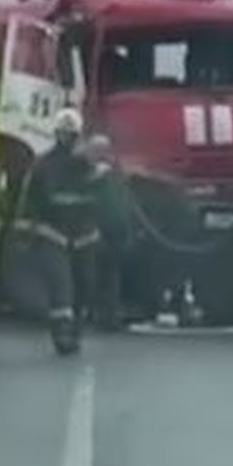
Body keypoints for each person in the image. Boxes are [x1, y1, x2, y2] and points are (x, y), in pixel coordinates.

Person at [16, 106, 99, 354]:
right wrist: (23, 233)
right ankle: (61, 333)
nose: (67, 139)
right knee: (61, 285)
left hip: (83, 236)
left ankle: (75, 329)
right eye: (64, 134)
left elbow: (102, 200)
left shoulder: (88, 166)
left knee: (84, 285)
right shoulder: (42, 166)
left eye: (71, 135)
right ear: (56, 134)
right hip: (52, 233)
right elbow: (30, 201)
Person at [85, 133, 135, 330]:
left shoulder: (94, 176)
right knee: (110, 275)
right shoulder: (116, 176)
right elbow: (123, 206)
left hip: (101, 232)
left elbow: (103, 206)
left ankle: (98, 313)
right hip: (115, 231)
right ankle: (109, 315)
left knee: (97, 274)